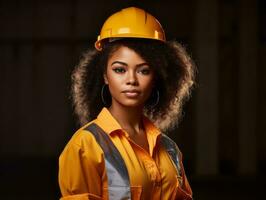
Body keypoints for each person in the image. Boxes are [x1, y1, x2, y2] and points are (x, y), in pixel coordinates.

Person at [58, 7, 195, 200]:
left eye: (144, 71)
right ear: (105, 76)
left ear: (156, 77)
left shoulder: (169, 148)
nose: (131, 80)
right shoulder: (84, 146)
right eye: (120, 70)